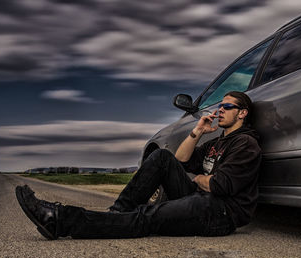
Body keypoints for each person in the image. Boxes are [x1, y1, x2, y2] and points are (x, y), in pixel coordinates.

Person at [15, 91, 261, 239]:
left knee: (148, 216)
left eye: (227, 107)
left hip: (221, 213)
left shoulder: (246, 144)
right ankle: (116, 215)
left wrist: (196, 179)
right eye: (220, 106)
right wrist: (197, 131)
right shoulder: (217, 142)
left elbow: (220, 185)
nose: (220, 111)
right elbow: (181, 160)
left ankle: (58, 219)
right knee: (163, 157)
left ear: (242, 113)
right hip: (201, 198)